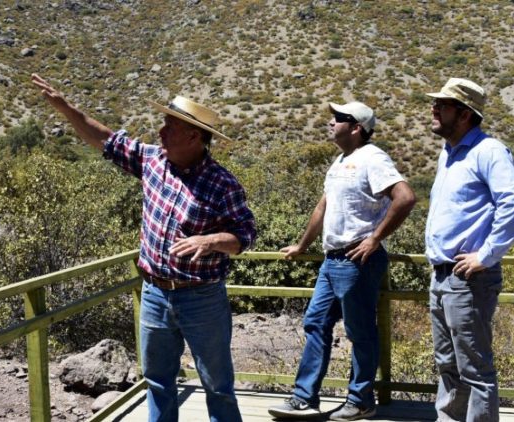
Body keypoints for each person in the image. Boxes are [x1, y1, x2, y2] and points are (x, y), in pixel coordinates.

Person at [31, 74, 256, 422]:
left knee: (217, 386)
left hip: (202, 299)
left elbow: (246, 234)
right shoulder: (153, 161)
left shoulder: (222, 184)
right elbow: (105, 138)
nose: (160, 131)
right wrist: (65, 108)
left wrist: (211, 241)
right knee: (158, 382)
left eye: (169, 125)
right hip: (154, 294)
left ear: (193, 136)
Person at [268, 101, 416, 420]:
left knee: (359, 331)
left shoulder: (372, 158)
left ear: (356, 127)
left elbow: (405, 198)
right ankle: (304, 398)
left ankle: (361, 400)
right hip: (331, 260)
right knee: (315, 323)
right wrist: (301, 244)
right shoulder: (339, 161)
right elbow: (323, 207)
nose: (330, 122)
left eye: (338, 119)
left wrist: (374, 239)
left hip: (357, 260)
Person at [424, 78, 514, 422]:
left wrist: (485, 255)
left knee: (474, 369)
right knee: (447, 365)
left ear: (465, 114)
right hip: (443, 277)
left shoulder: (488, 151)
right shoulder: (449, 154)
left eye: (443, 104)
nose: (434, 108)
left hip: (469, 279)